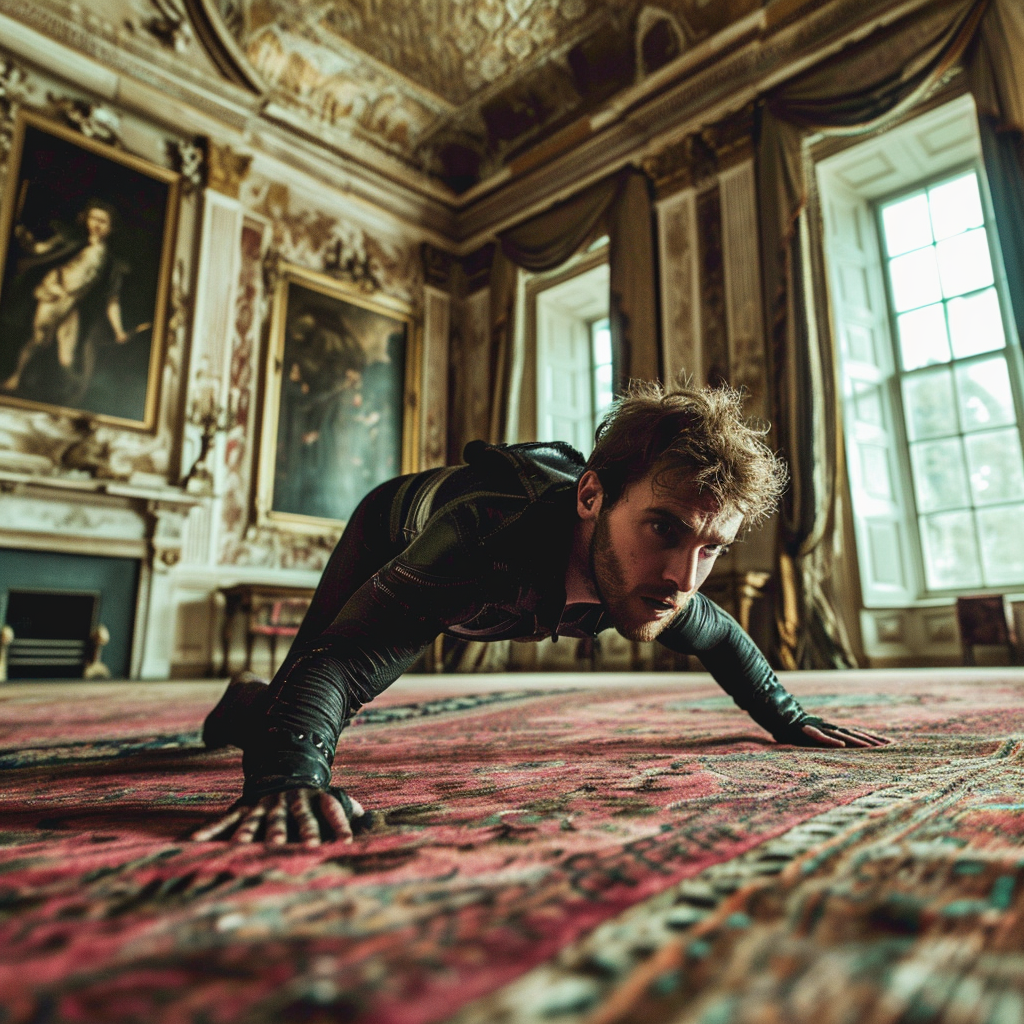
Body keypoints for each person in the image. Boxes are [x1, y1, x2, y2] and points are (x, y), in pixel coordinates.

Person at [194, 381, 888, 847]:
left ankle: (244, 709)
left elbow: (721, 636)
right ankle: (254, 709)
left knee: (283, 713)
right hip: (392, 524)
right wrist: (291, 779)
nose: (682, 579)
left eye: (711, 548)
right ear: (591, 497)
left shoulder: (656, 577)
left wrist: (788, 717)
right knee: (304, 697)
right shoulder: (478, 543)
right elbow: (341, 664)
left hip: (509, 567)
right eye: (665, 530)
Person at [1, 200, 130, 405]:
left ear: (111, 227)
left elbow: (112, 299)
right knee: (38, 338)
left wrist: (119, 330)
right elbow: (40, 249)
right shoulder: (71, 241)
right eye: (93, 218)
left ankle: (73, 398)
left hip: (72, 304)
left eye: (102, 221)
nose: (96, 224)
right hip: (53, 293)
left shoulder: (112, 264)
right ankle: (15, 378)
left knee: (67, 355)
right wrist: (24, 237)